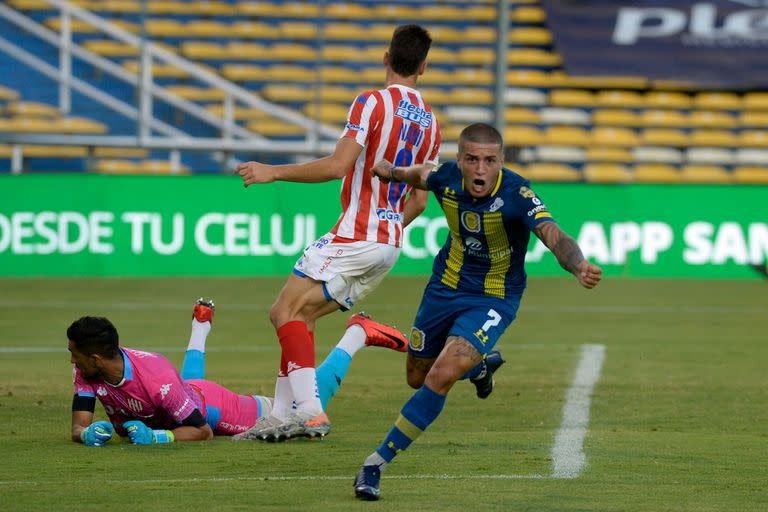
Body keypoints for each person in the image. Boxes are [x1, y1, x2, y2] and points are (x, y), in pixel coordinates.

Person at [352, 123, 604, 500]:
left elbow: (553, 234)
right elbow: (422, 175)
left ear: (500, 161)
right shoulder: (447, 179)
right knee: (416, 378)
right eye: (472, 159)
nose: (481, 169)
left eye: (489, 160)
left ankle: (375, 463)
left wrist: (578, 264)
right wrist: (390, 171)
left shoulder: (519, 193)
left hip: (494, 298)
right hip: (444, 286)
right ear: (461, 160)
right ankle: (481, 365)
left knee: (442, 374)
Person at [234, 24, 441, 441]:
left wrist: (273, 171)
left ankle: (310, 411)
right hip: (389, 243)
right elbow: (418, 200)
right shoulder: (433, 125)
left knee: (281, 312)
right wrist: (385, 232)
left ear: (386, 58)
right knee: (300, 316)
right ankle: (279, 414)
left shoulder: (371, 103)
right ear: (423, 66)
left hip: (356, 234)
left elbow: (336, 166)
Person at [70, 299, 407, 446]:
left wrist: (159, 437)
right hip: (184, 392)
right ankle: (199, 326)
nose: (71, 361)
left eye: (75, 355)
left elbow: (201, 430)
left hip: (215, 408)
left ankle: (357, 334)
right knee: (179, 392)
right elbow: (79, 426)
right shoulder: (89, 372)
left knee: (295, 410)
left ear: (96, 357)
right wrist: (87, 434)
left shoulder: (155, 379)